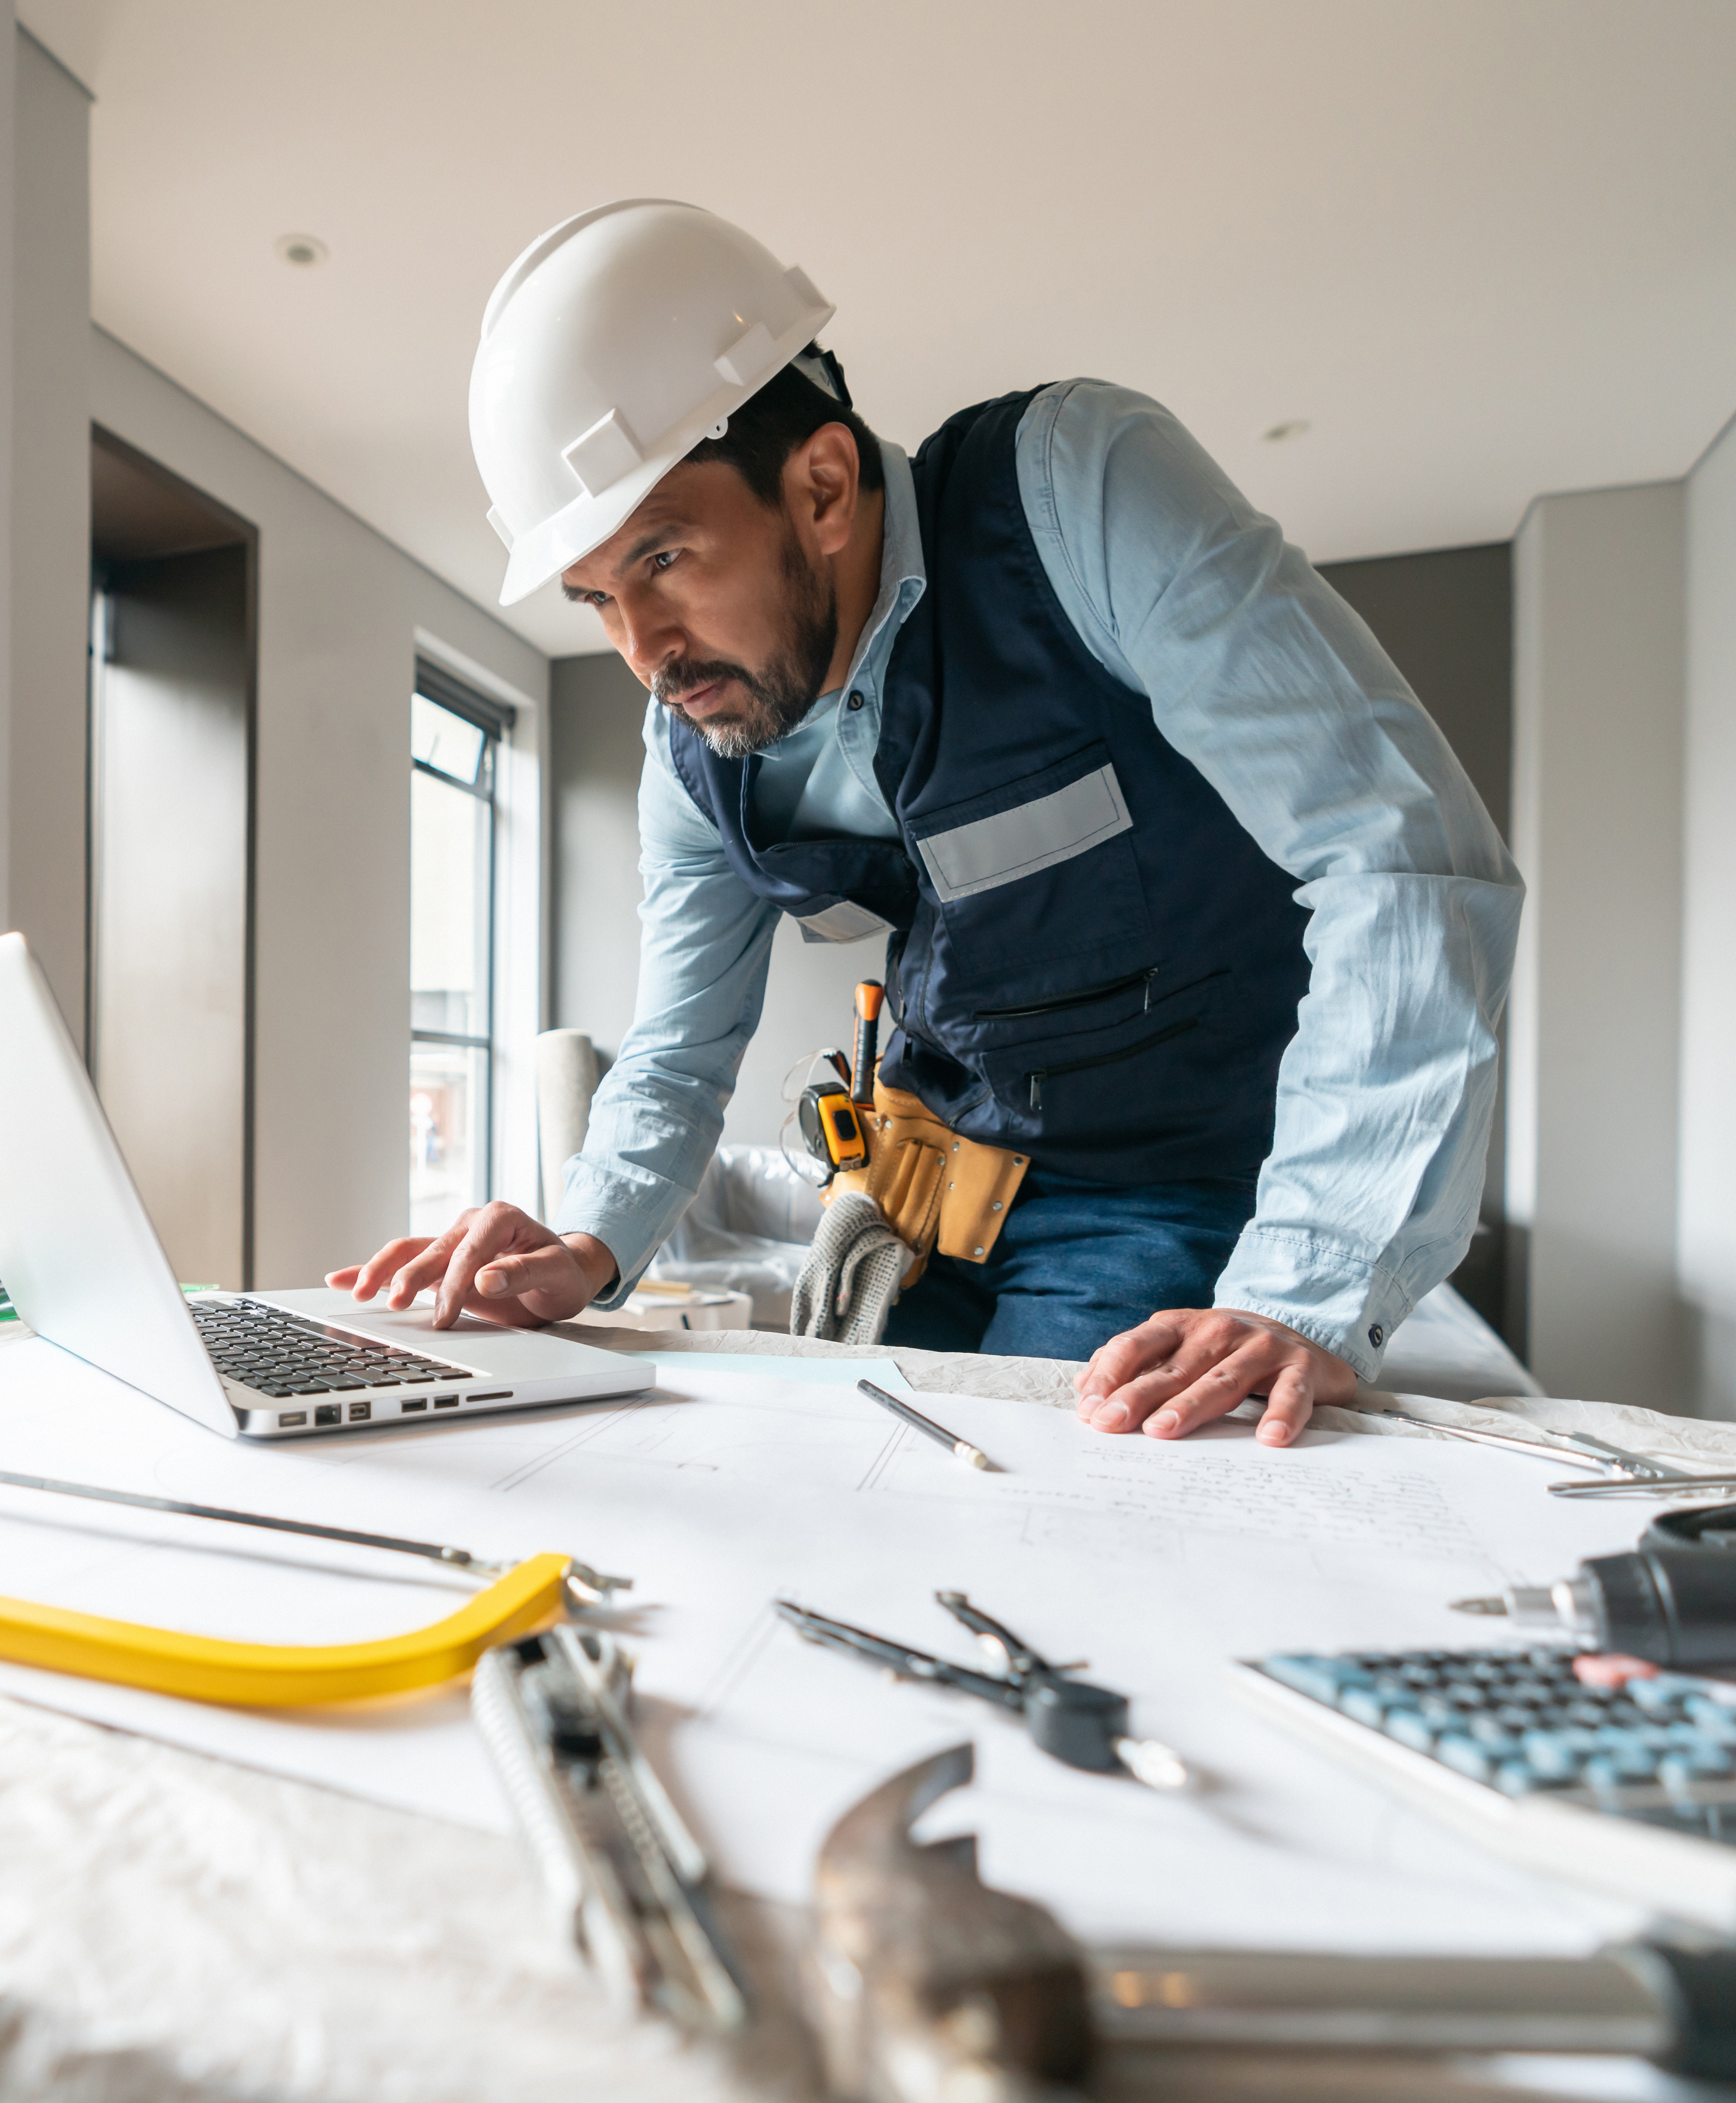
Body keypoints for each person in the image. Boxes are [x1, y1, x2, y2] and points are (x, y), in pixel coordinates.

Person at [331, 201, 1518, 1451]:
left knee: (1057, 1522)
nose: (643, 653)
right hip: (909, 1202)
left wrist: (1308, 1294)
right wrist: (587, 1244)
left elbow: (1401, 853)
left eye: (666, 558)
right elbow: (681, 1045)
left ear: (826, 486)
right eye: (596, 600)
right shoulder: (693, 741)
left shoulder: (1078, 497)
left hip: (1157, 1190)